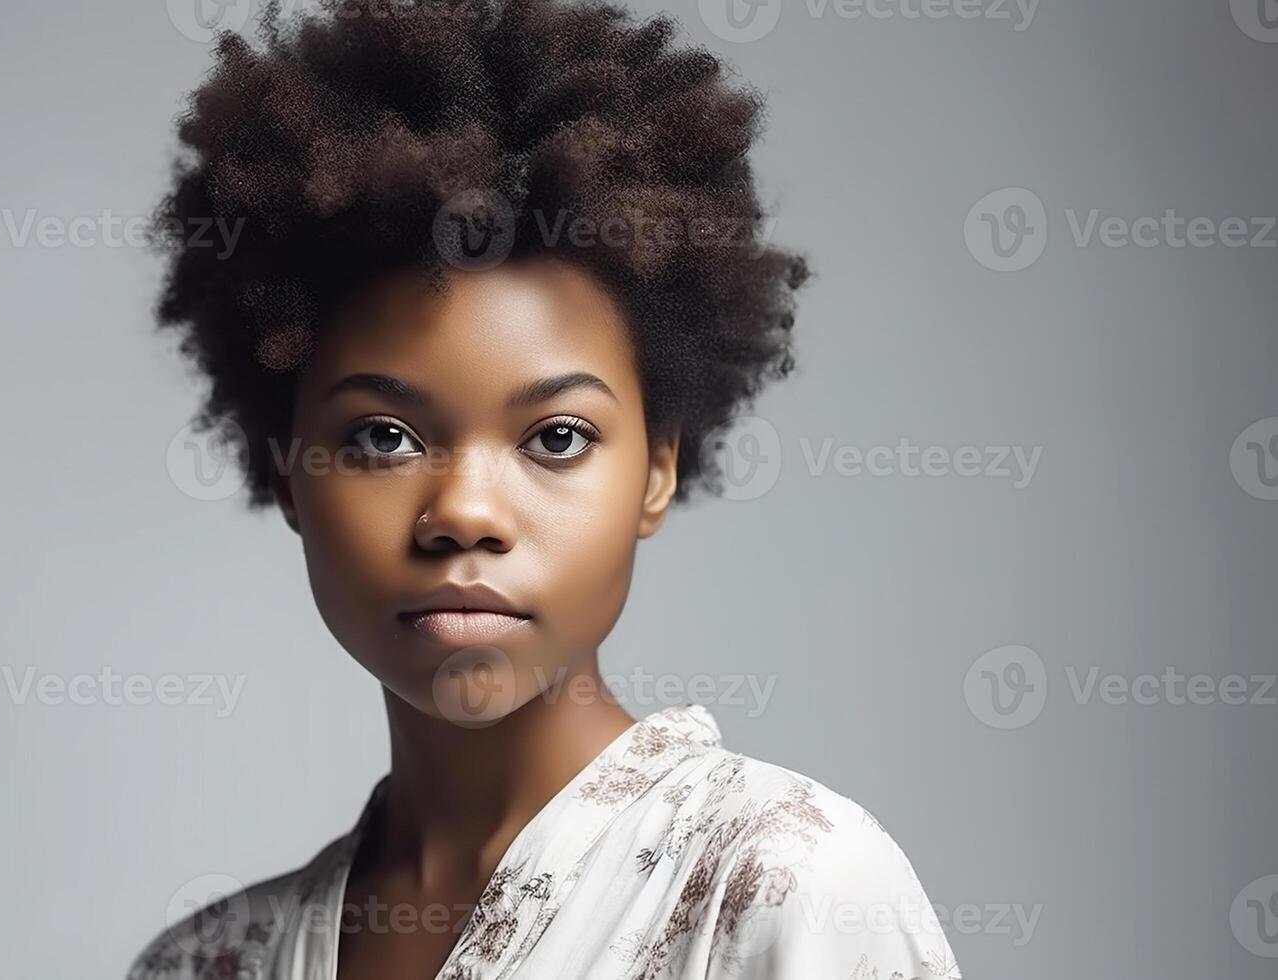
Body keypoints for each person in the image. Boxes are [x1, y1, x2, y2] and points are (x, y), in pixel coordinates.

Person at [128, 0, 961, 977]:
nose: (465, 514)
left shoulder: (789, 887)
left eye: (556, 436)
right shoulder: (203, 963)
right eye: (383, 436)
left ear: (658, 467)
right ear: (288, 475)